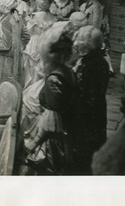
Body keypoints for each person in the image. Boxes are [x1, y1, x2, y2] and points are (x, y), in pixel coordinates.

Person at [20, 23, 77, 175]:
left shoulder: (53, 80)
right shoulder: (68, 72)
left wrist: (34, 143)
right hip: (65, 132)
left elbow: (50, 122)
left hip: (49, 143)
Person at [71, 25, 110, 174]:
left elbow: (88, 96)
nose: (75, 43)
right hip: (92, 113)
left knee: (86, 153)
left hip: (89, 117)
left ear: (86, 44)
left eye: (78, 39)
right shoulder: (92, 60)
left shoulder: (95, 65)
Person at [0, 0, 25, 100]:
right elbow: (25, 34)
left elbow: (5, 45)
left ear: (4, 5)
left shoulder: (5, 21)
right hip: (16, 54)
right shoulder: (17, 16)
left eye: (0, 3)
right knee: (14, 78)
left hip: (5, 57)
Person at [23, 0, 57, 90]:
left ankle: (30, 89)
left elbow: (29, 30)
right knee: (42, 66)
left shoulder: (36, 16)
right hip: (47, 42)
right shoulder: (53, 17)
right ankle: (40, 89)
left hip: (35, 42)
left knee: (32, 67)